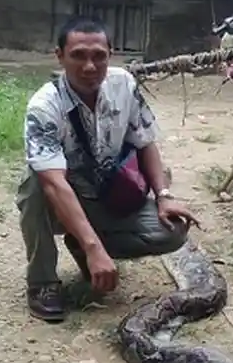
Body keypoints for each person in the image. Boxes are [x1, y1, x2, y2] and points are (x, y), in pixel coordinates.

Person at [16, 16, 199, 322]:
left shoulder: (123, 84)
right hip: (62, 197)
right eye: (78, 56)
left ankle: (82, 243)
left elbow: (145, 142)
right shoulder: (44, 107)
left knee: (174, 232)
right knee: (35, 183)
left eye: (98, 56)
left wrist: (164, 196)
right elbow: (53, 184)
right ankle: (42, 283)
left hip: (105, 194)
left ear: (110, 54)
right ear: (59, 56)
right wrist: (94, 247)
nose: (90, 66)